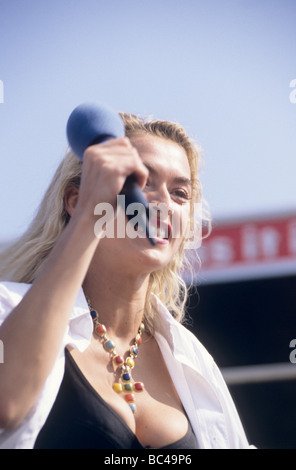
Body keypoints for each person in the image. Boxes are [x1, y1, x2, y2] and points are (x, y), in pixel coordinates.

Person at [0, 112, 253, 449]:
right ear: (76, 201)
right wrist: (92, 212)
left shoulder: (192, 359)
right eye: (142, 183)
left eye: (180, 193)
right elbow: (6, 405)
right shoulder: (9, 309)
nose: (164, 203)